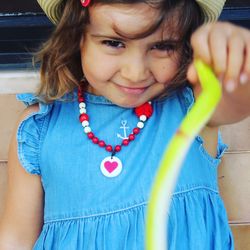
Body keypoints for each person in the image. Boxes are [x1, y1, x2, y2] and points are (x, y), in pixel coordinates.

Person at [0, 0, 249, 249]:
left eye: (162, 46)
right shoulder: (39, 128)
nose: (135, 72)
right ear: (76, 38)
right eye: (114, 43)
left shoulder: (192, 107)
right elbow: (16, 238)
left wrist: (234, 54)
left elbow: (236, 97)